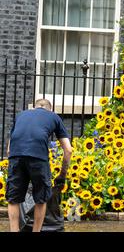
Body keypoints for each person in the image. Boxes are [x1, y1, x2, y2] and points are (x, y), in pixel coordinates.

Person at [6, 99, 72, 232]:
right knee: (41, 198)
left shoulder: (21, 115)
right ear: (50, 109)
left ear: (34, 108)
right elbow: (68, 150)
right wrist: (62, 174)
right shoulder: (53, 116)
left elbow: (8, 149)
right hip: (38, 156)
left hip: (15, 155)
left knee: (13, 199)